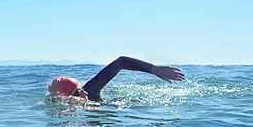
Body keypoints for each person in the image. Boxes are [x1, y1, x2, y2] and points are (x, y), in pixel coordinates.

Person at [49, 56, 185, 102]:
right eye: (78, 91)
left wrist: (154, 69)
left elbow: (120, 62)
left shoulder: (90, 91)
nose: (84, 92)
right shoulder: (85, 96)